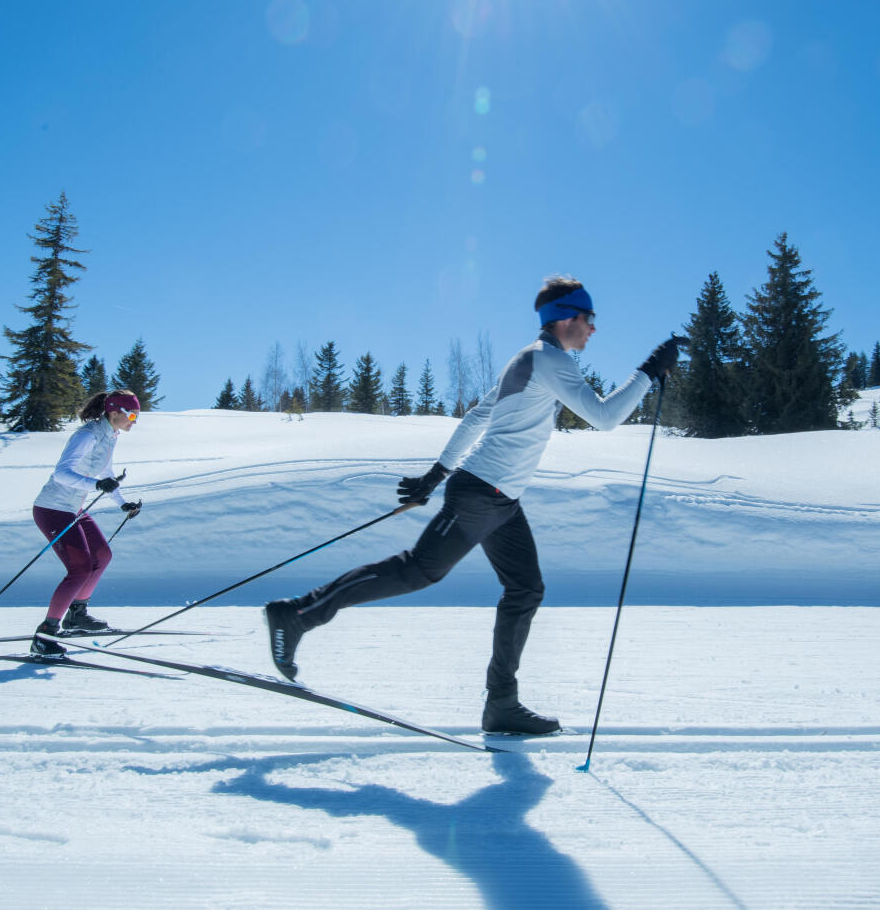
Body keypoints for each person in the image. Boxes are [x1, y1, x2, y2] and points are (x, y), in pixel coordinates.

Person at [263, 276, 686, 734]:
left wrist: (436, 474)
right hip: (484, 493)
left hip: (501, 499)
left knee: (526, 589)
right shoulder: (548, 360)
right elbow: (604, 418)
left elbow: (477, 416)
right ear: (566, 317)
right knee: (417, 570)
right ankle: (298, 614)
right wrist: (647, 370)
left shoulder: (527, 360)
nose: (593, 330)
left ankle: (501, 704)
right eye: (589, 319)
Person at [30, 389, 144, 657]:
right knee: (80, 568)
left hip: (73, 507)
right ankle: (45, 634)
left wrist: (122, 503)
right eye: (131, 414)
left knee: (102, 555)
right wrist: (95, 485)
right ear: (114, 412)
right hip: (52, 508)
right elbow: (62, 473)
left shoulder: (110, 435)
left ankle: (77, 615)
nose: (134, 421)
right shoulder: (87, 435)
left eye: (137, 416)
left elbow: (105, 473)